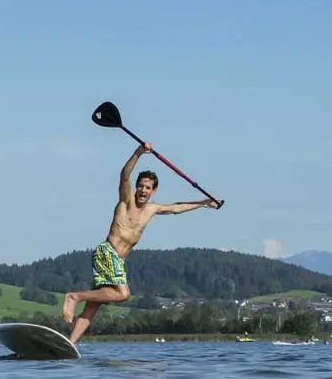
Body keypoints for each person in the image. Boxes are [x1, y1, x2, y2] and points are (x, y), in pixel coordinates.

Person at [61, 142, 220, 344]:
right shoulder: (126, 200)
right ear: (136, 187)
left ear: (153, 191)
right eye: (141, 186)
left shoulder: (152, 209)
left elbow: (176, 208)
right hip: (107, 252)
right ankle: (74, 297)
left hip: (117, 260)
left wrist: (203, 203)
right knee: (123, 294)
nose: (143, 190)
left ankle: (69, 343)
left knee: (94, 305)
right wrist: (138, 153)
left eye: (147, 187)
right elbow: (124, 175)